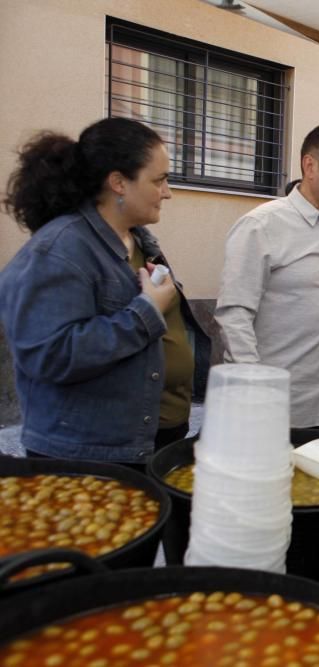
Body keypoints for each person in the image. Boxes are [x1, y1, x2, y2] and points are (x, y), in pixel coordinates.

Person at [0, 117, 210, 462]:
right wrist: (146, 311)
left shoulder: (139, 240)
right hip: (89, 455)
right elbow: (49, 355)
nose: (167, 192)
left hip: (152, 440)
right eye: (159, 180)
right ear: (118, 183)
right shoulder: (60, 250)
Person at [215, 125, 319, 430]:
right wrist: (255, 391)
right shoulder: (261, 226)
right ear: (310, 165)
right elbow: (234, 316)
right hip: (273, 411)